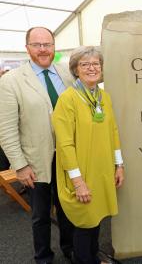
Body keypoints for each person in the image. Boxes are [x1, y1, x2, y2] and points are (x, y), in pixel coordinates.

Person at [0, 27, 75, 263]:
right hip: (35, 161)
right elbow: (6, 129)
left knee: (68, 210)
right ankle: (43, 257)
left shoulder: (68, 74)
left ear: (55, 47)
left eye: (48, 44)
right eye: (37, 45)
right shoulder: (11, 81)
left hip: (68, 157)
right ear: (27, 48)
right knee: (41, 216)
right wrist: (20, 166)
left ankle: (71, 249)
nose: (43, 49)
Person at [52, 46, 124, 264]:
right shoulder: (68, 100)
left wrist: (118, 165)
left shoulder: (103, 97)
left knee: (97, 219)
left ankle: (93, 256)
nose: (92, 68)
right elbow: (64, 144)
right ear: (76, 69)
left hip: (102, 170)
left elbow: (113, 131)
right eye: (85, 64)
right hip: (81, 172)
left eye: (96, 64)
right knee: (85, 223)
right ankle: (84, 259)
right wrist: (77, 181)